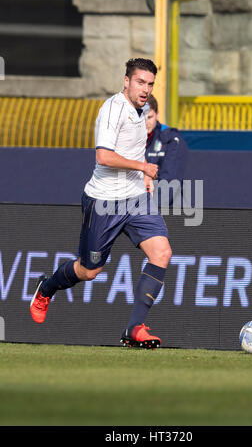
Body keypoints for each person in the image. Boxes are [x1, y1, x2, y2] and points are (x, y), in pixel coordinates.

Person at [30, 58, 172, 349]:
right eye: (140, 82)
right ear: (126, 81)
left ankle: (135, 328)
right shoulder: (111, 109)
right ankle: (47, 288)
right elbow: (104, 157)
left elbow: (133, 147)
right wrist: (144, 168)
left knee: (162, 252)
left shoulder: (143, 109)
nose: (145, 89)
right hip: (104, 201)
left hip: (134, 199)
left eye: (150, 84)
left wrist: (142, 174)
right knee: (89, 271)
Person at [145, 94, 188, 207]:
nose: (145, 123)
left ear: (157, 115)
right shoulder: (128, 138)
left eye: (149, 117)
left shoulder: (172, 140)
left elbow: (169, 186)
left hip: (167, 210)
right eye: (141, 118)